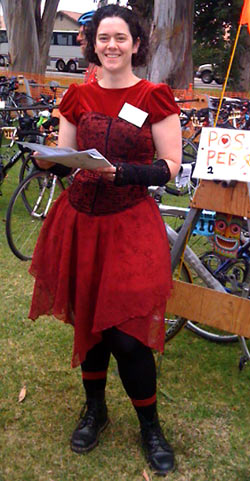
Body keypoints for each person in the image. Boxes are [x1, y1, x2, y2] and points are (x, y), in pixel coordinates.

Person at [29, 4, 181, 476]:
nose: (111, 46)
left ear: (136, 44)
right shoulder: (77, 96)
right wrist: (44, 158)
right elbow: (65, 152)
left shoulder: (155, 97)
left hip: (130, 226)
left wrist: (123, 173)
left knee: (128, 336)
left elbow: (170, 166)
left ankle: (150, 425)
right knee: (89, 324)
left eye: (120, 38)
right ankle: (95, 410)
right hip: (79, 221)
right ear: (93, 45)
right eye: (102, 38)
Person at [77, 10, 102, 83]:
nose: (78, 38)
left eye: (83, 34)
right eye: (78, 34)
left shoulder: (103, 69)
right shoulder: (92, 65)